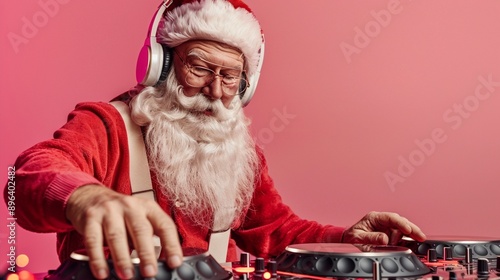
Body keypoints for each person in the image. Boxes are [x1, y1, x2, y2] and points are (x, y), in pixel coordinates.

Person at [4, 0, 426, 279]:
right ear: (160, 65)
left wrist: (345, 241)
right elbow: (26, 177)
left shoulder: (239, 152)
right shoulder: (108, 125)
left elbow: (276, 231)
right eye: (200, 68)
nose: (215, 90)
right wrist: (85, 198)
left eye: (230, 77)